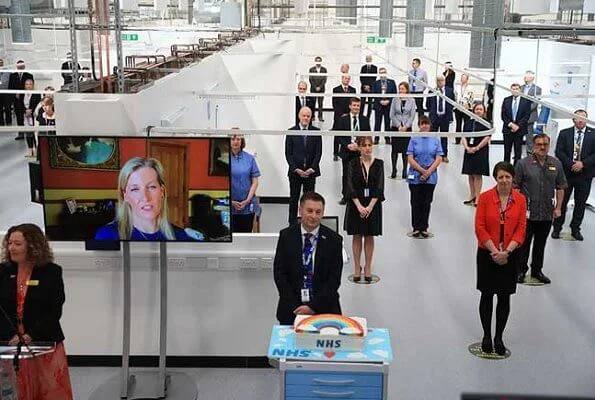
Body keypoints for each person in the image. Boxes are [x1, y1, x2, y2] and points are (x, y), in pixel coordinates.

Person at [0, 223, 74, 399]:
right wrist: (12, 334)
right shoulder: (2, 271)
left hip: (43, 341)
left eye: (17, 244)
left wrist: (29, 335)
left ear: (32, 246)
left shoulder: (51, 272)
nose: (12, 248)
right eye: (10, 243)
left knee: (48, 390)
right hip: (9, 342)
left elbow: (54, 310)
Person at [474, 162, 527, 355]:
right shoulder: (485, 198)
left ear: (513, 179)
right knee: (487, 295)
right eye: (500, 177)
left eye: (507, 177)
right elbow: (479, 228)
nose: (504, 181)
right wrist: (495, 251)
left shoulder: (520, 200)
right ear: (495, 178)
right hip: (487, 254)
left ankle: (499, 336)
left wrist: (508, 252)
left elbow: (521, 230)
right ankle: (487, 335)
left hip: (510, 256)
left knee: (504, 297)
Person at [273, 192, 344, 325]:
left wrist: (313, 307)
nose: (314, 216)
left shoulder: (334, 241)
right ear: (300, 210)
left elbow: (334, 280)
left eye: (318, 212)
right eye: (309, 211)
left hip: (325, 309)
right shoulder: (286, 236)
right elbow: (279, 274)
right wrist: (297, 307)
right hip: (291, 310)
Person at [94, 157, 194, 240]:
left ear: (162, 191)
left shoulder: (180, 236)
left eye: (151, 187)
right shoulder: (107, 236)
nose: (145, 198)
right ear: (125, 195)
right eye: (135, 189)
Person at [515, 133, 566, 284]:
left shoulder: (556, 164)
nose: (542, 147)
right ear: (533, 146)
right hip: (527, 213)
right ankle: (520, 271)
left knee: (540, 244)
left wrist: (558, 208)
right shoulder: (523, 164)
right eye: (539, 144)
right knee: (524, 244)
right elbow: (516, 188)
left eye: (545, 144)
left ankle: (537, 271)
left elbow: (561, 187)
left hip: (546, 213)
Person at [344, 136, 384, 282]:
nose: (367, 148)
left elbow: (380, 187)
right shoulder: (353, 164)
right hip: (356, 204)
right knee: (356, 235)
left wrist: (370, 206)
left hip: (372, 205)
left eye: (369, 145)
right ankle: (356, 266)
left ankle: (367, 266)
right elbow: (349, 185)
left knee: (369, 235)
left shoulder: (379, 164)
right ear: (359, 148)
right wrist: (359, 206)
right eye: (364, 145)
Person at [552, 109, 595, 241]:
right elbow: (559, 151)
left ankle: (575, 229)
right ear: (573, 119)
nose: (581, 120)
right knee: (562, 202)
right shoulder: (565, 133)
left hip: (585, 174)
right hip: (567, 174)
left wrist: (583, 164)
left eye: (584, 118)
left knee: (580, 203)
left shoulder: (593, 134)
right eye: (578, 117)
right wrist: (571, 164)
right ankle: (557, 228)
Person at [406, 116, 443, 238]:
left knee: (426, 202)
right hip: (415, 175)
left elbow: (438, 158)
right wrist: (422, 170)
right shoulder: (413, 139)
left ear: (430, 125)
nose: (425, 126)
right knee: (415, 202)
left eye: (427, 123)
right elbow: (410, 158)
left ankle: (424, 227)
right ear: (419, 125)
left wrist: (428, 172)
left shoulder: (436, 140)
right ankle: (416, 227)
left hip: (430, 176)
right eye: (422, 124)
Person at [286, 107, 322, 225]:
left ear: (311, 118)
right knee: (294, 199)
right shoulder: (291, 131)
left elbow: (318, 153)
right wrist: (296, 169)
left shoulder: (316, 132)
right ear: (299, 116)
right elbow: (288, 153)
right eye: (304, 116)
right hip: (295, 173)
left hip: (310, 173)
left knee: (310, 200)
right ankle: (292, 223)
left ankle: (308, 222)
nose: (306, 118)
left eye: (308, 116)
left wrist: (312, 168)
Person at [335, 98, 371, 205]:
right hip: (347, 151)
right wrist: (347, 145)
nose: (356, 107)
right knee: (346, 175)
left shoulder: (364, 119)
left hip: (360, 152)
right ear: (350, 106)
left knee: (360, 175)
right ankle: (346, 196)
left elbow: (368, 135)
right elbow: (339, 136)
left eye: (358, 106)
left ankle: (358, 196)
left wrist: (359, 146)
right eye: (354, 105)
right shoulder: (343, 119)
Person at [229, 133, 261, 232]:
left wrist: (247, 200)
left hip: (247, 206)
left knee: (245, 237)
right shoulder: (224, 158)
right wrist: (231, 201)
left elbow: (255, 182)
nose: (236, 141)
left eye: (238, 139)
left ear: (242, 141)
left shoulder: (250, 159)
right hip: (230, 205)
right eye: (233, 139)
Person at [461, 103, 491, 206]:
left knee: (477, 174)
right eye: (477, 109)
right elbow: (463, 136)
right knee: (470, 174)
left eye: (481, 109)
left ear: (484, 111)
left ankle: (478, 198)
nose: (478, 111)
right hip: (469, 150)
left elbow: (487, 137)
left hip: (480, 151)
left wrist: (477, 148)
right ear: (473, 110)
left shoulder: (486, 123)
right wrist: (467, 147)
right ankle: (472, 195)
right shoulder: (468, 122)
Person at [389, 81, 416, 179]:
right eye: (399, 89)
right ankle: (394, 170)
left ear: (407, 90)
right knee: (394, 150)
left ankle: (405, 170)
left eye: (402, 89)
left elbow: (412, 115)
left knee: (405, 151)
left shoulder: (412, 100)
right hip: (396, 128)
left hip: (407, 128)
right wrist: (398, 126)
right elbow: (391, 114)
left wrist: (406, 126)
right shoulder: (395, 100)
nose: (400, 91)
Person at [501, 83, 531, 165]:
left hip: (519, 130)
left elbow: (526, 116)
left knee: (518, 152)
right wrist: (510, 124)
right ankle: (506, 169)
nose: (515, 90)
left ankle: (517, 170)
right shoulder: (506, 100)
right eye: (513, 89)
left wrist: (518, 126)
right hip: (508, 129)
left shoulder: (525, 101)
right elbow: (503, 115)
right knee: (507, 151)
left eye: (517, 89)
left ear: (520, 90)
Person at [426, 75, 454, 162]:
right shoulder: (431, 91)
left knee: (444, 137)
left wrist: (449, 116)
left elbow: (452, 103)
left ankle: (444, 155)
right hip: (434, 117)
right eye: (438, 80)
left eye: (441, 80)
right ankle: (432, 154)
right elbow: (428, 105)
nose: (440, 82)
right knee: (432, 137)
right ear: (436, 82)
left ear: (445, 81)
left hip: (445, 117)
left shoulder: (449, 91)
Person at [332, 74, 356, 161]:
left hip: (349, 116)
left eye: (348, 79)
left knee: (347, 134)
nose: (347, 80)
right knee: (337, 135)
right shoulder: (336, 89)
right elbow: (335, 104)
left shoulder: (353, 90)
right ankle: (335, 153)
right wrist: (342, 114)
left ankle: (346, 150)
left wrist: (349, 114)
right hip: (339, 116)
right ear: (342, 79)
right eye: (345, 78)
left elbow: (353, 103)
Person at [8, 60, 34, 140]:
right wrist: (15, 94)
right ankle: (21, 133)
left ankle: (30, 132)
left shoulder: (29, 75)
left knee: (28, 115)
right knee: (19, 116)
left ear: (24, 66)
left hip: (26, 98)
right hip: (17, 99)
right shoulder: (12, 75)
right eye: (19, 66)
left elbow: (31, 86)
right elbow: (10, 87)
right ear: (17, 66)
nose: (20, 67)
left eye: (21, 66)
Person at [372, 67, 396, 144]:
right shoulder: (375, 83)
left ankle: (387, 138)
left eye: (384, 72)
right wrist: (380, 101)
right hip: (378, 105)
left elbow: (394, 94)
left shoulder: (391, 82)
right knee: (377, 122)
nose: (383, 74)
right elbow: (373, 94)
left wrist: (388, 101)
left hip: (388, 105)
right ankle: (376, 138)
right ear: (379, 74)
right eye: (381, 73)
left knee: (387, 122)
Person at [520, 71, 542, 155]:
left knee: (529, 138)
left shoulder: (537, 89)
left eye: (527, 76)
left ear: (532, 78)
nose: (525, 77)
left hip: (530, 116)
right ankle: (517, 155)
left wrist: (524, 111)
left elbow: (535, 103)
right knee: (518, 137)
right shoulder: (520, 87)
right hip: (519, 117)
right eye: (525, 76)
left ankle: (530, 155)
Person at [20, 79, 41, 158]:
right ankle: (30, 150)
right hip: (26, 116)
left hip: (34, 116)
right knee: (28, 133)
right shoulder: (22, 94)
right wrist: (25, 111)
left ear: (33, 85)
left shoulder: (36, 94)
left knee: (35, 133)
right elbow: (19, 104)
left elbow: (37, 104)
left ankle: (36, 150)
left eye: (30, 84)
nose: (28, 86)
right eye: (27, 84)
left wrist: (31, 111)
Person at [454, 73, 473, 144]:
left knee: (466, 124)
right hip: (458, 108)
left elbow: (471, 98)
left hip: (466, 108)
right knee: (458, 124)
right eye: (462, 78)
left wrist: (467, 105)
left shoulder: (470, 88)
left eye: (464, 78)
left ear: (467, 79)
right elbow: (455, 97)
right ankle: (457, 140)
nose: (462, 79)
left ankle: (466, 140)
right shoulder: (457, 87)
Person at [309, 56, 327, 122]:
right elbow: (310, 79)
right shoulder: (311, 69)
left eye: (319, 61)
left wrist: (320, 87)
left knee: (320, 104)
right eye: (317, 60)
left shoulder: (324, 69)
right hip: (313, 89)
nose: (318, 62)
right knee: (312, 103)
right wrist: (315, 87)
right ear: (315, 61)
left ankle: (320, 116)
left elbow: (324, 79)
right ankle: (312, 116)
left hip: (321, 89)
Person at [0, 59, 12, 126]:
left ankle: (8, 122)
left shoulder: (8, 71)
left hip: (6, 93)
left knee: (8, 108)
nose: (0, 63)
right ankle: (1, 122)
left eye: (2, 62)